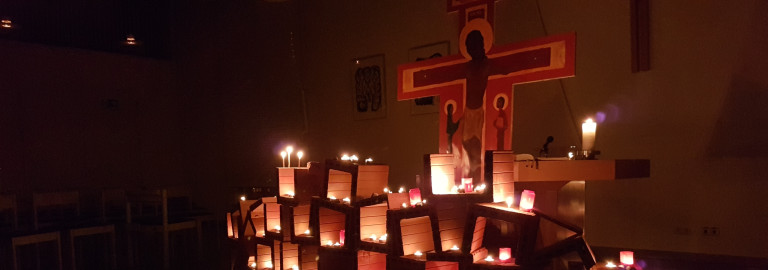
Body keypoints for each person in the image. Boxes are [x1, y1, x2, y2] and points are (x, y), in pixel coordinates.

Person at [461, 30, 491, 183]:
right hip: (468, 112)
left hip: (479, 112)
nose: (471, 50)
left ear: (481, 45)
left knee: (476, 148)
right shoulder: (468, 67)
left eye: (474, 46)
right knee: (466, 146)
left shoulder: (487, 64)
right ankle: (469, 183)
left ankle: (478, 183)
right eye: (469, 48)